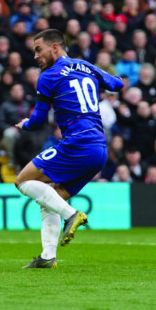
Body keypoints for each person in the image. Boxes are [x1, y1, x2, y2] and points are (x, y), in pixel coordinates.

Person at [14, 29, 123, 268]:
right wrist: (96, 72)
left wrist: (25, 124)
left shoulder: (48, 76)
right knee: (50, 199)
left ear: (55, 47)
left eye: (38, 50)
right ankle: (47, 257)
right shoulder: (85, 66)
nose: (35, 56)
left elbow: (38, 120)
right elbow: (117, 83)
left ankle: (72, 215)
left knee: (22, 181)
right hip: (99, 148)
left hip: (78, 143)